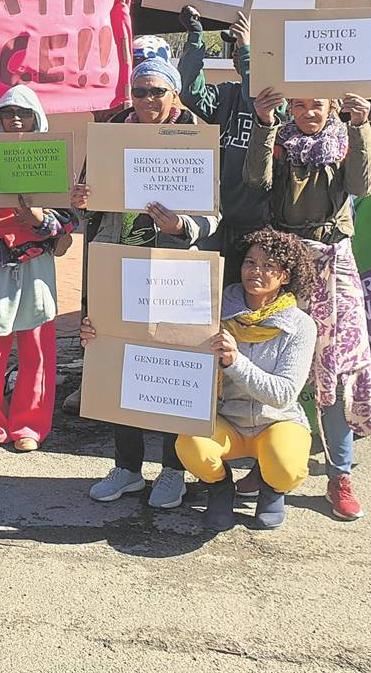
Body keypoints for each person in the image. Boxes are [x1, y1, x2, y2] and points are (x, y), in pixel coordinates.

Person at [74, 55, 218, 509]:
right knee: (117, 359)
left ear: (175, 93)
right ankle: (127, 468)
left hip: (176, 270)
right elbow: (86, 205)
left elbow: (216, 214)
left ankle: (173, 469)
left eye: (158, 91)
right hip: (117, 266)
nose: (149, 99)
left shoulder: (198, 136)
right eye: (141, 91)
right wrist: (81, 199)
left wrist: (183, 226)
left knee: (175, 364)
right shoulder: (109, 136)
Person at [245, 88, 371, 521]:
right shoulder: (280, 138)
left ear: (330, 106)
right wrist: (264, 125)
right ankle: (268, 464)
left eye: (315, 105)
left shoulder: (344, 139)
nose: (307, 114)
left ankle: (339, 475)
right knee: (271, 362)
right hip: (284, 261)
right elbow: (256, 181)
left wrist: (361, 128)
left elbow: (363, 186)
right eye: (298, 105)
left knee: (334, 370)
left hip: (332, 262)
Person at [175, 229, 318, 531]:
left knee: (287, 465)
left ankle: (271, 489)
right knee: (191, 446)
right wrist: (105, 333)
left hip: (277, 421)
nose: (256, 271)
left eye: (269, 266)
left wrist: (235, 362)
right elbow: (165, 338)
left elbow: (284, 394)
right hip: (227, 419)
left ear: (286, 276)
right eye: (250, 262)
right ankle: (220, 488)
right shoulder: (213, 310)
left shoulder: (301, 326)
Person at [0, 86, 77, 453]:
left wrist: (43, 219)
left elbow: (69, 221)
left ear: (35, 118)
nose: (16, 119)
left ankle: (29, 425)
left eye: (23, 113)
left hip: (36, 263)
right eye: (9, 112)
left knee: (37, 349)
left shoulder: (54, 158)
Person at [177, 7, 266, 285]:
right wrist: (195, 37)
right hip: (220, 215)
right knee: (214, 289)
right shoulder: (227, 93)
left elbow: (257, 103)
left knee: (250, 293)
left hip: (258, 220)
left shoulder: (278, 100)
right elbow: (189, 91)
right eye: (236, 48)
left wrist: (248, 47)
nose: (237, 53)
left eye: (243, 47)